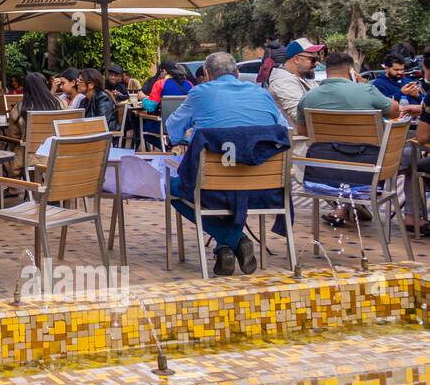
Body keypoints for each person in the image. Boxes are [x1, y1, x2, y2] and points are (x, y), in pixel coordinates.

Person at [166, 53, 291, 276]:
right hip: (265, 190)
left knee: (171, 189)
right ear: (237, 73)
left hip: (214, 190)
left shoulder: (199, 93)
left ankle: (232, 239)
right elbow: (283, 131)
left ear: (206, 74)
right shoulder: (262, 94)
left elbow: (173, 131)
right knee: (235, 179)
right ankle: (227, 244)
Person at [296, 51, 401, 227]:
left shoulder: (308, 97)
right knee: (408, 157)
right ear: (351, 70)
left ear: (327, 70)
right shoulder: (367, 90)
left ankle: (343, 208)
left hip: (325, 172)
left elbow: (302, 131)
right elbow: (394, 111)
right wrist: (362, 85)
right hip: (366, 170)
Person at [2, 72, 62, 174]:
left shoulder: (20, 108)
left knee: (8, 158)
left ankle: (14, 188)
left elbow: (13, 138)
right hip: (57, 155)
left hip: (29, 159)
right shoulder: (59, 104)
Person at [266, 37, 323, 125]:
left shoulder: (304, 77)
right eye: (312, 60)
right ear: (296, 59)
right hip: (298, 137)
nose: (316, 64)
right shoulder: (282, 81)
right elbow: (300, 116)